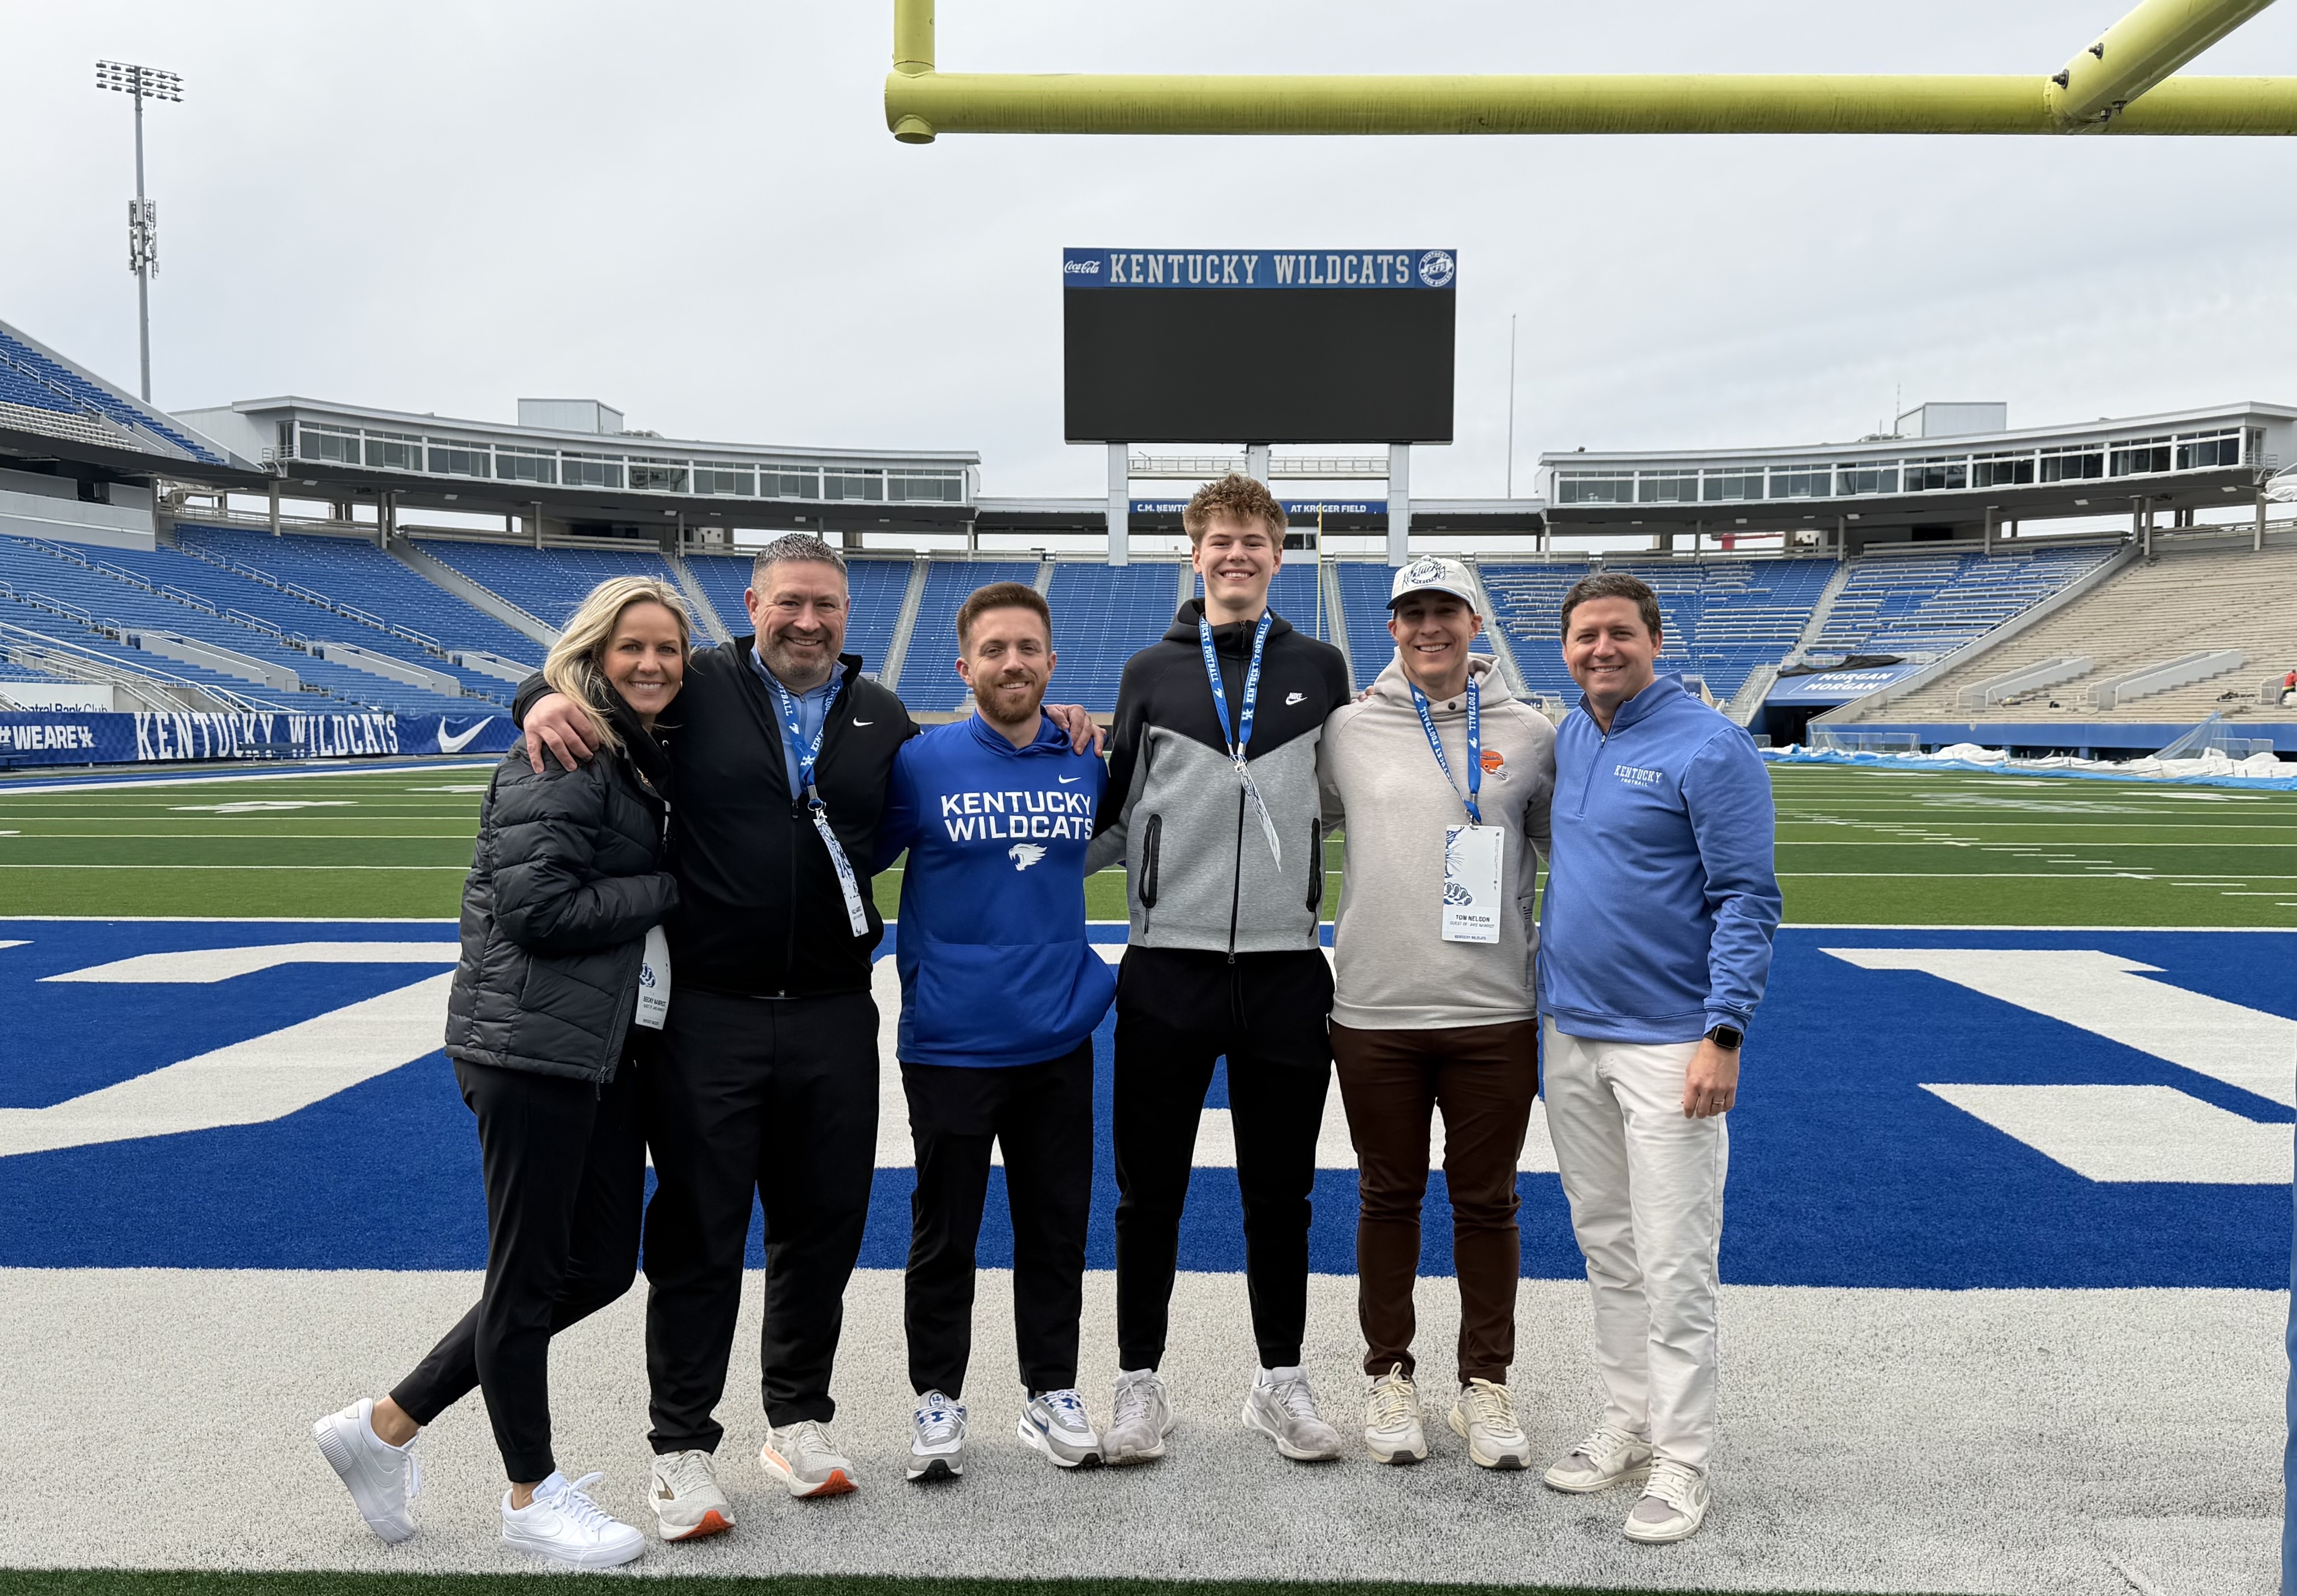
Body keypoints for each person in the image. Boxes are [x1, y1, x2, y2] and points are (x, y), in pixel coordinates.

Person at [513, 534, 1100, 1526]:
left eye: (826, 605)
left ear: (847, 615)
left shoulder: (883, 718)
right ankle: (682, 1444)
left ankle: (796, 1415)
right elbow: (592, 670)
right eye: (790, 602)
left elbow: (963, 794)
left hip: (834, 1010)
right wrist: (537, 695)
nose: (808, 621)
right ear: (753, 602)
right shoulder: (695, 681)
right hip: (711, 1010)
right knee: (700, 1231)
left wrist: (1067, 719)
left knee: (819, 1227)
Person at [314, 576, 690, 1568]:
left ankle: (387, 1423)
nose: (652, 664)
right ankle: (531, 1493)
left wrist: (540, 687)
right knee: (525, 1276)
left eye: (669, 649)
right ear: (592, 655)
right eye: (630, 648)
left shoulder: (624, 740)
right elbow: (539, 912)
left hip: (597, 1050)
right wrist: (668, 886)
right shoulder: (566, 750)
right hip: (530, 1048)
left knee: (600, 1263)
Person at [1085, 473, 1355, 1465]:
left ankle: (1278, 1377)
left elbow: (1346, 799)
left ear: (1279, 553)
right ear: (1192, 554)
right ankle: (1138, 1380)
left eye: (1254, 538)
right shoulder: (1151, 670)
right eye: (1219, 539)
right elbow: (1111, 819)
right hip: (1168, 967)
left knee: (1279, 1192)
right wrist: (1010, 850)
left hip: (1288, 970)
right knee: (1146, 1191)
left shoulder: (1322, 665)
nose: (1236, 553)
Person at [1536, 570, 1781, 1545]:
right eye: (1586, 634)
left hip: (1672, 1038)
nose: (1602, 648)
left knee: (1678, 1257)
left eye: (1619, 633)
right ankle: (1627, 1420)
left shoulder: (1711, 745)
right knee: (1608, 1244)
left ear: (1655, 638)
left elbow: (1748, 899)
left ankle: (1685, 1457)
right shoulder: (1571, 733)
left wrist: (1724, 1032)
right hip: (1573, 1031)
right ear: (1565, 648)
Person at [872, 581, 1117, 1482]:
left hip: (1056, 1033)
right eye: (995, 649)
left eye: (1029, 648)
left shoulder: (1088, 756)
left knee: (1055, 1230)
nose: (1013, 662)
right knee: (945, 1233)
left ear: (1052, 662)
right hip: (950, 1041)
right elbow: (845, 859)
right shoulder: (920, 762)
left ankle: (1050, 1388)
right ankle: (937, 1396)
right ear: (965, 665)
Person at [1317, 557, 1555, 1470]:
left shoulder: (1530, 732)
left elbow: (1563, 850)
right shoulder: (1348, 727)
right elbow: (1304, 821)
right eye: (1412, 612)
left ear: (1472, 623)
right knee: (1387, 1194)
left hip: (1493, 1006)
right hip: (1375, 1006)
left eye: (1445, 611)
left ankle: (1484, 1384)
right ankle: (1389, 1373)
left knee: (1487, 1201)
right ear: (1392, 626)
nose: (1429, 627)